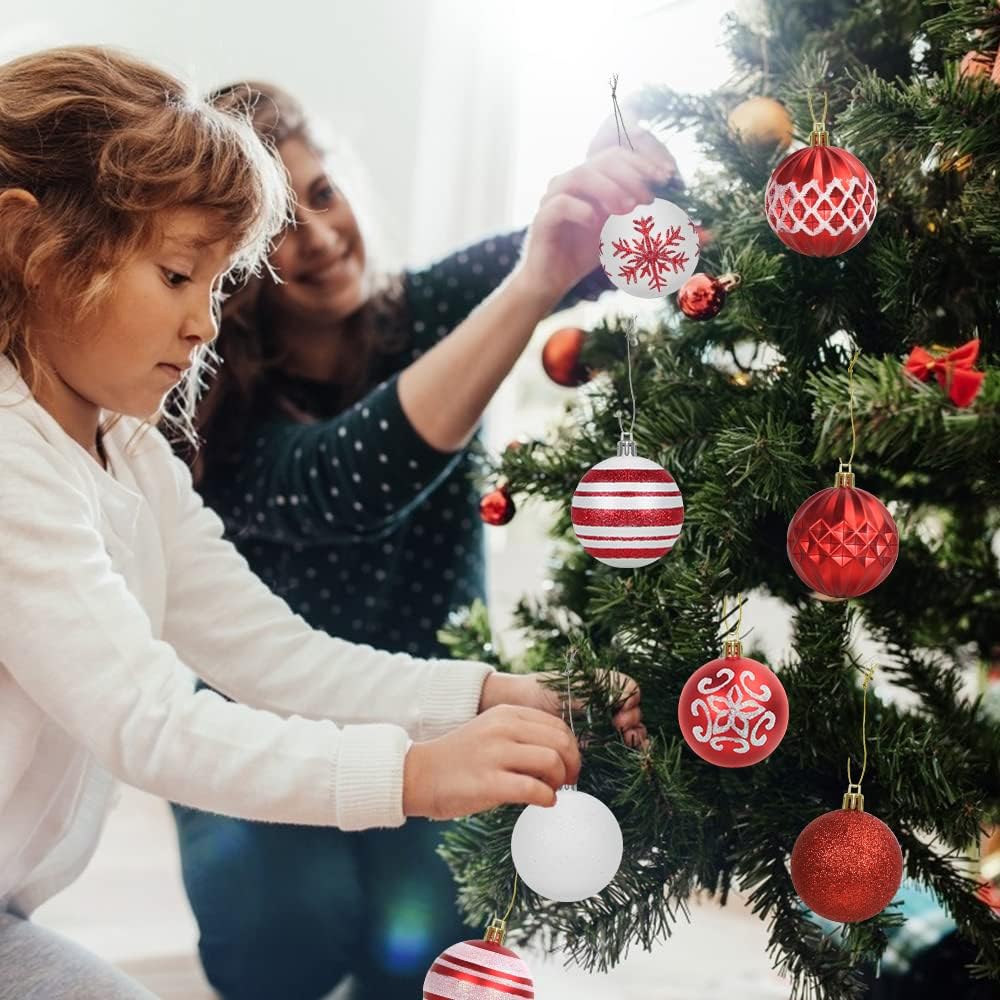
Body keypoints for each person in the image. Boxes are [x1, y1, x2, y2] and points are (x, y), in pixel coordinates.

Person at [0, 46, 645, 1000]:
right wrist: (416, 774)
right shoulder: (16, 462)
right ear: (29, 250)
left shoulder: (127, 450)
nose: (204, 324)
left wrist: (494, 695)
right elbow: (152, 721)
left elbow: (270, 654)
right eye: (179, 275)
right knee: (281, 922)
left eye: (218, 286)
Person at [170, 82, 669, 999]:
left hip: (442, 711)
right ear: (224, 266)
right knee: (286, 934)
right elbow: (351, 484)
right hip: (267, 729)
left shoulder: (428, 304)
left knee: (434, 953)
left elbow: (597, 250)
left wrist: (629, 179)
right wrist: (530, 283)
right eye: (276, 223)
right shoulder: (209, 414)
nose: (317, 235)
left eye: (321, 194)